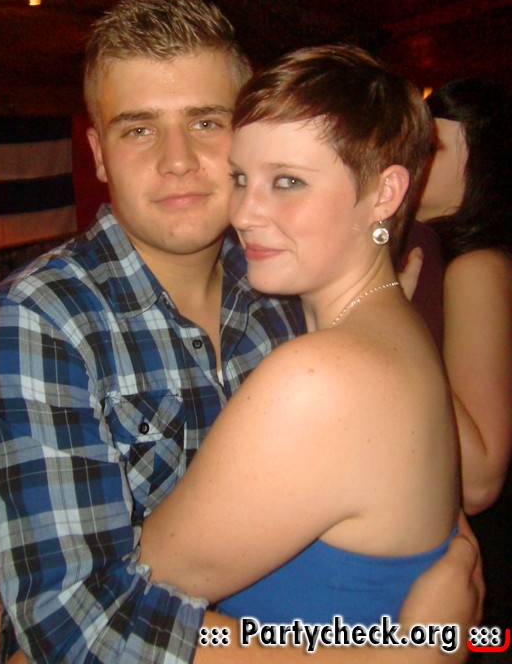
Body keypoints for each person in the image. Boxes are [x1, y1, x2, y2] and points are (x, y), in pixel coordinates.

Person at [0, 0, 481, 664]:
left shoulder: (280, 281)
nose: (177, 159)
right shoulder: (42, 319)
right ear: (98, 154)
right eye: (138, 129)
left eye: (206, 122)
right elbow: (75, 629)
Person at [138, 44, 459, 626]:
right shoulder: (395, 330)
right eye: (241, 178)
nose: (243, 213)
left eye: (287, 181)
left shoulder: (320, 378)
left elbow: (122, 606)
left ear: (384, 193)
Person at [416, 78, 512, 516]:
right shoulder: (428, 253)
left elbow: (478, 480)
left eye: (430, 147)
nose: (408, 154)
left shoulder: (477, 268)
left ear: (482, 165)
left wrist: (397, 326)